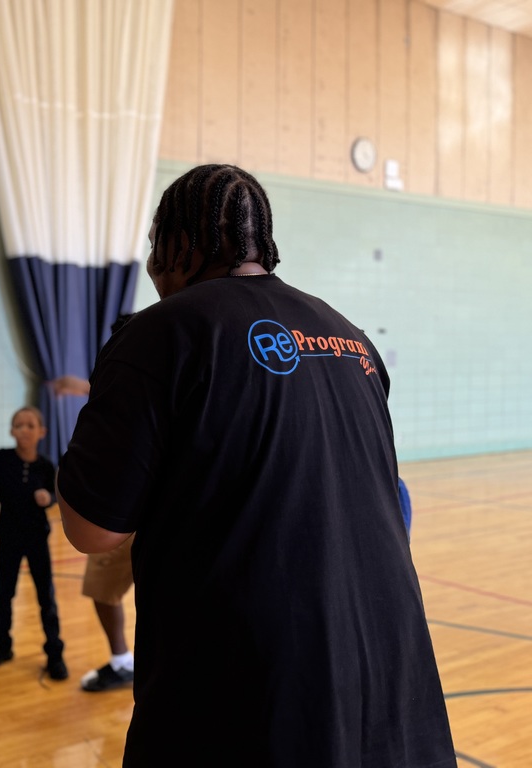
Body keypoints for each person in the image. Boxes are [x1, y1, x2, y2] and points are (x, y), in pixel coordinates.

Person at [55, 164, 456, 766]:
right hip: (391, 672)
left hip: (250, 683)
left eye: (153, 247)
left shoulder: (161, 332)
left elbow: (92, 529)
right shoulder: (350, 337)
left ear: (177, 245)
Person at [0, 407, 68, 680]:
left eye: (31, 425)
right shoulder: (0, 459)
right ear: (11, 431)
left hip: (36, 537)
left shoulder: (45, 465)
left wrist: (49, 499)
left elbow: (56, 495)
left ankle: (54, 652)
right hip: (8, 535)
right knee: (4, 593)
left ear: (41, 432)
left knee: (46, 596)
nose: (24, 430)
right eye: (19, 425)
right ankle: (2, 645)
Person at [50, 373, 134, 693]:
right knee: (103, 589)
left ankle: (125, 662)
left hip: (141, 506)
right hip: (136, 506)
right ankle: (122, 661)